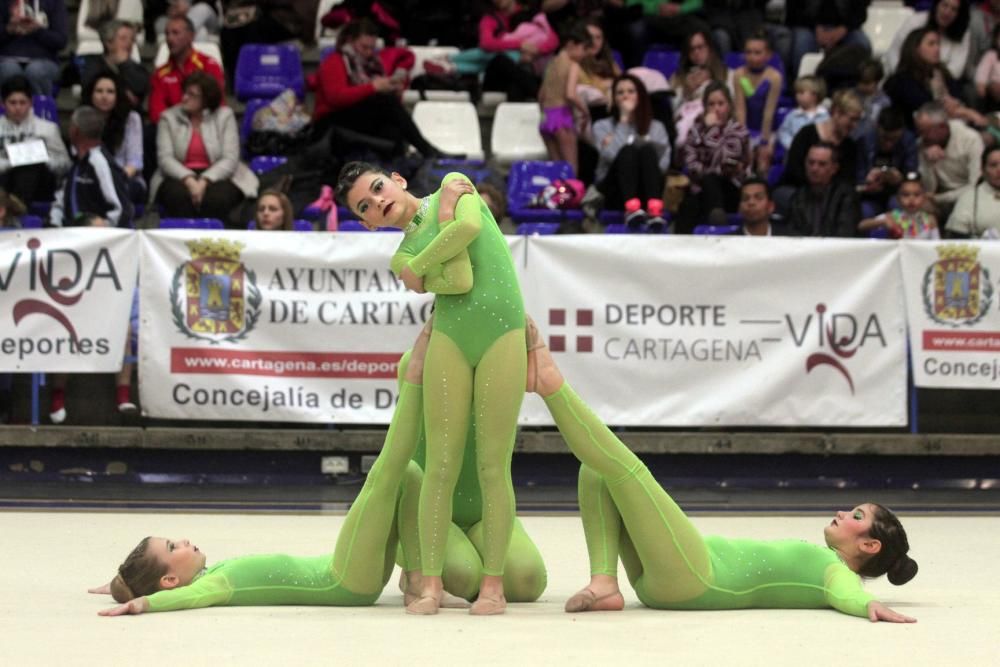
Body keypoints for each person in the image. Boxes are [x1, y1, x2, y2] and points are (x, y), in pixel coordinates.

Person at [521, 324, 918, 621]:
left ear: (869, 546)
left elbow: (847, 593)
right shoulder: (823, 557)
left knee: (626, 468)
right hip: (677, 573)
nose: (844, 512)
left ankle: (551, 385)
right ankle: (605, 583)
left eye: (857, 517)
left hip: (696, 577)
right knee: (597, 470)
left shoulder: (835, 570)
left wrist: (869, 605)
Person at [89, 324, 471, 615]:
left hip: (342, 568)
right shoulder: (213, 584)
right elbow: (186, 597)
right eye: (173, 547)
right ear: (170, 580)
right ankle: (415, 376)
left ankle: (418, 579)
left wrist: (123, 585)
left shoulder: (207, 572)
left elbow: (147, 581)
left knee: (409, 475)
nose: (184, 541)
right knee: (389, 467)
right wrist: (142, 605)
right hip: (344, 580)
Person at [337, 163, 527, 616]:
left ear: (398, 179)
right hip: (450, 340)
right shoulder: (399, 256)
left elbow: (470, 228)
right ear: (368, 222)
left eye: (378, 188)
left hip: (504, 333)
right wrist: (445, 225)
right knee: (439, 462)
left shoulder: (450, 184)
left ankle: (494, 586)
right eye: (366, 205)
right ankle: (430, 582)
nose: (378, 201)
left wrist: (429, 256)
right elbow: (460, 276)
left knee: (493, 465)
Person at [311, 18, 454, 159]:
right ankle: (427, 151)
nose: (368, 52)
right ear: (350, 41)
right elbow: (336, 98)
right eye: (363, 47)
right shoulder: (335, 61)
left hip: (354, 119)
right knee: (386, 102)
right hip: (329, 122)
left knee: (393, 131)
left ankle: (407, 167)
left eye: (371, 48)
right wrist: (374, 87)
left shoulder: (372, 64)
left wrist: (392, 89)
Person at [152, 71, 257, 226]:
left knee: (217, 199)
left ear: (206, 99)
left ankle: (215, 244)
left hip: (219, 174)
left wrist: (204, 181)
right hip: (177, 175)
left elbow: (230, 158)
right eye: (185, 92)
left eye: (192, 95)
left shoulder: (225, 116)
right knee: (177, 196)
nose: (185, 98)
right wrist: (189, 180)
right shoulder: (168, 117)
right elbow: (165, 159)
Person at [591, 74, 671, 230]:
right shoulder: (602, 126)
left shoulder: (657, 127)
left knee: (647, 149)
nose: (625, 96)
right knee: (628, 151)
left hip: (647, 188)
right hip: (615, 190)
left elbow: (663, 165)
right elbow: (612, 155)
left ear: (640, 96)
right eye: (620, 93)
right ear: (614, 99)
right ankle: (631, 209)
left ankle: (655, 211)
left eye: (630, 91)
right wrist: (624, 120)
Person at [678, 81, 751, 233]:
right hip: (702, 189)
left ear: (729, 105)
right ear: (705, 107)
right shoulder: (696, 131)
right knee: (689, 204)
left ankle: (719, 226)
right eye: (711, 104)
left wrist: (713, 130)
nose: (716, 108)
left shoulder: (738, 131)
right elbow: (691, 164)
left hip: (731, 188)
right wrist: (710, 171)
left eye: (720, 103)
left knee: (711, 179)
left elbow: (727, 163)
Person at [776, 89, 863, 215]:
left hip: (832, 196)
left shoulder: (850, 146)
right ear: (836, 113)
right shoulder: (807, 134)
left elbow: (847, 179)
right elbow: (794, 169)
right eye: (852, 119)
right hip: (798, 188)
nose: (854, 125)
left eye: (857, 120)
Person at [884, 27, 986, 131]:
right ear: (915, 48)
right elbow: (925, 108)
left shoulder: (942, 73)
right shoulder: (902, 80)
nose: (937, 49)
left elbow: (959, 97)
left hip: (953, 126)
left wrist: (957, 106)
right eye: (931, 44)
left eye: (938, 44)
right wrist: (965, 112)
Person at [49, 106, 134, 229]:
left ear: (75, 131)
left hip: (96, 240)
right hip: (69, 236)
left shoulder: (100, 163)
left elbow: (122, 209)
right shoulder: (77, 163)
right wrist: (53, 225)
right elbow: (60, 202)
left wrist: (101, 230)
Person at [0, 75, 71, 205]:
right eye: (12, 102)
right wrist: (12, 162)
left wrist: (43, 158)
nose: (18, 108)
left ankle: (16, 210)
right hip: (4, 179)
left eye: (22, 102)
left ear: (31, 102)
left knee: (29, 167)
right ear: (3, 103)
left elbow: (65, 164)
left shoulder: (48, 128)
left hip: (39, 183)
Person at [148, 15, 225, 124]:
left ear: (190, 36)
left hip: (207, 128)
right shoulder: (160, 74)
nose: (169, 38)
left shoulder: (209, 65)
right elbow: (156, 113)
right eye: (167, 34)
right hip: (172, 131)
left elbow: (218, 104)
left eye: (175, 33)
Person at [914, 100, 984, 220]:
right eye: (919, 131)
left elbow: (976, 186)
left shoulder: (970, 139)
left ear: (942, 127)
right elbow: (929, 189)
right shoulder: (922, 143)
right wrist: (929, 163)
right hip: (940, 198)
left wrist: (940, 198)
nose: (922, 137)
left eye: (925, 131)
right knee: (917, 205)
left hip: (967, 196)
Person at [538, 22, 592, 175]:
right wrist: (584, 111)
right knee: (570, 168)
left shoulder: (552, 63)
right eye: (584, 49)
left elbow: (541, 95)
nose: (584, 54)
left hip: (546, 118)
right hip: (562, 117)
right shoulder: (573, 65)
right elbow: (570, 94)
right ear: (572, 44)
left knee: (556, 169)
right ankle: (572, 198)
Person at [84, 72, 146, 204]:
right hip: (92, 178)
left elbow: (135, 162)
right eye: (99, 91)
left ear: (118, 95)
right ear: (91, 94)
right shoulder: (83, 119)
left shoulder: (132, 119)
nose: (104, 96)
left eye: (110, 92)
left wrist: (112, 179)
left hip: (125, 178)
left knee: (119, 191)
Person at [731, 30, 782, 173]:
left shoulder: (774, 77)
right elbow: (740, 110)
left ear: (768, 54)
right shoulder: (739, 74)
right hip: (747, 127)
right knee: (743, 159)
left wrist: (764, 142)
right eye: (748, 52)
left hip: (768, 128)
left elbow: (769, 112)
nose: (752, 57)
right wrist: (744, 140)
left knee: (763, 160)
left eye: (757, 52)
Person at [671, 28, 729, 152]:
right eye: (692, 49)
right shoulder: (677, 79)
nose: (696, 52)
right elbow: (672, 112)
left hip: (716, 126)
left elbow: (731, 105)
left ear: (710, 48)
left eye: (700, 47)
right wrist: (687, 92)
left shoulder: (726, 74)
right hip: (685, 128)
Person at [787, 142, 861, 237]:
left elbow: (845, 234)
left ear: (834, 168)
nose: (814, 168)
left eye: (822, 164)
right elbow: (792, 234)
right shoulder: (798, 197)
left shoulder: (846, 196)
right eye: (811, 162)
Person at [856, 107, 920, 218]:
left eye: (894, 139)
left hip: (898, 193)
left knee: (898, 206)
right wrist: (867, 183)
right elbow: (858, 178)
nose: (889, 144)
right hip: (870, 196)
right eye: (884, 138)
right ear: (877, 127)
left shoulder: (908, 141)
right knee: (864, 211)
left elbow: (912, 174)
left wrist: (901, 178)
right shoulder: (864, 142)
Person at [886, 0, 973, 82]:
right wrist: (903, 79)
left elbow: (955, 70)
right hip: (904, 79)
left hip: (940, 84)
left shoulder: (963, 33)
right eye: (944, 5)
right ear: (936, 5)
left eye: (954, 9)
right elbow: (894, 53)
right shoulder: (916, 21)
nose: (947, 13)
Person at [0, 0, 68, 96]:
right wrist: (9, 29)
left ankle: (41, 109)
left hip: (44, 60)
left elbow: (61, 41)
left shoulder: (54, 2)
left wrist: (37, 30)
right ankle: (7, 110)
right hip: (6, 59)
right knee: (9, 71)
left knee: (36, 71)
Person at [80, 19, 149, 110]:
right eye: (123, 38)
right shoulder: (91, 63)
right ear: (108, 43)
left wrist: (125, 64)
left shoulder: (139, 69)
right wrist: (123, 92)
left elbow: (139, 92)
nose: (129, 43)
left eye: (132, 39)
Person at [859, 171, 940, 238]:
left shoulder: (930, 220)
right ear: (898, 199)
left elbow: (936, 244)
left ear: (924, 198)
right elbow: (861, 225)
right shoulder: (892, 217)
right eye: (905, 195)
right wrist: (882, 222)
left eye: (917, 195)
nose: (911, 199)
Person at [946, 143, 1000, 236]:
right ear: (983, 170)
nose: (999, 169)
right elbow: (956, 236)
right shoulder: (968, 198)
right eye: (993, 165)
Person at [775, 75, 829, 152]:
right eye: (797, 92)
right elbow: (783, 132)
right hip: (794, 153)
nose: (797, 95)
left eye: (801, 92)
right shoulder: (792, 115)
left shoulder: (825, 116)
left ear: (814, 95)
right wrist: (792, 145)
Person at [853, 59, 891, 139]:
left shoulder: (884, 102)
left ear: (877, 81)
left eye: (866, 83)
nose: (861, 86)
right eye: (859, 82)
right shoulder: (852, 95)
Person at [974, 23, 1000, 109]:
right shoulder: (991, 55)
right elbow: (982, 71)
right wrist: (981, 84)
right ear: (996, 39)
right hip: (993, 95)